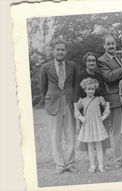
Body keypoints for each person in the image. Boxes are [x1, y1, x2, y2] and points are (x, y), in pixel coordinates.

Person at [40, 38, 78, 174]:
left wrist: (74, 101)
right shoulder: (46, 67)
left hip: (69, 102)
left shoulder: (72, 66)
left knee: (70, 134)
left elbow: (75, 85)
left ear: (66, 51)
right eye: (58, 49)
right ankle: (60, 164)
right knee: (55, 135)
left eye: (63, 49)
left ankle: (70, 163)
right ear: (53, 51)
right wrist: (50, 97)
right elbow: (43, 87)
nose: (60, 52)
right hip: (54, 102)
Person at [74, 52, 111, 169]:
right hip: (86, 111)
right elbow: (76, 95)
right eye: (89, 61)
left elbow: (104, 92)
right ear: (85, 62)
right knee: (89, 140)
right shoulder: (80, 75)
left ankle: (102, 164)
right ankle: (92, 165)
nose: (91, 63)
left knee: (101, 139)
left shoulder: (99, 76)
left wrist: (107, 108)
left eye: (93, 61)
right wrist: (79, 115)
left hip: (99, 109)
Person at [98, 34, 122, 168]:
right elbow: (109, 77)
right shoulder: (101, 60)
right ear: (104, 46)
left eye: (113, 43)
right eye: (108, 44)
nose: (111, 46)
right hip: (115, 98)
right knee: (118, 131)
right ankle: (119, 160)